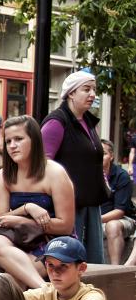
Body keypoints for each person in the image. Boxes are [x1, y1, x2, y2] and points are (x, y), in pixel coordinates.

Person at [0, 116, 75, 290]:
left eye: (18, 139)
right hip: (20, 240)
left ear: (34, 141)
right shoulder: (4, 175)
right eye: (8, 141)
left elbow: (66, 226)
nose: (12, 145)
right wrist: (27, 209)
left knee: (11, 280)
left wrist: (22, 221)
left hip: (55, 242)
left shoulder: (55, 172)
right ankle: (44, 289)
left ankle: (39, 296)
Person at [41, 71, 107, 263]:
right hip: (68, 206)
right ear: (70, 93)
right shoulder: (56, 121)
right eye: (86, 89)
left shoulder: (88, 121)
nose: (93, 94)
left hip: (91, 204)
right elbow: (44, 164)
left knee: (95, 261)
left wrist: (103, 182)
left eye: (94, 89)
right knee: (70, 260)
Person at [100, 139, 136, 264]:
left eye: (103, 153)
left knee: (113, 225)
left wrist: (95, 219)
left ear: (111, 156)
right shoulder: (88, 176)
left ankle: (115, 270)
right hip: (96, 219)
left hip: (123, 219)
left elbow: (120, 212)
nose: (99, 157)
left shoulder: (122, 176)